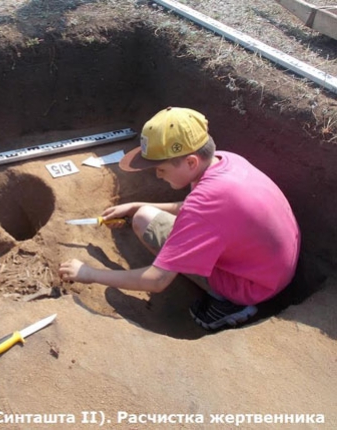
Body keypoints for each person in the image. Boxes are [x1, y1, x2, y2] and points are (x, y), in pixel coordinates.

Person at [59, 107, 300, 331]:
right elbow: (201, 210)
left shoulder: (206, 204)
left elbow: (157, 280)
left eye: (161, 169)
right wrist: (137, 205)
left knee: (145, 223)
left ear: (191, 161)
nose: (158, 175)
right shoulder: (226, 161)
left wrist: (89, 273)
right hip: (272, 269)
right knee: (142, 215)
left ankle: (230, 304)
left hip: (252, 287)